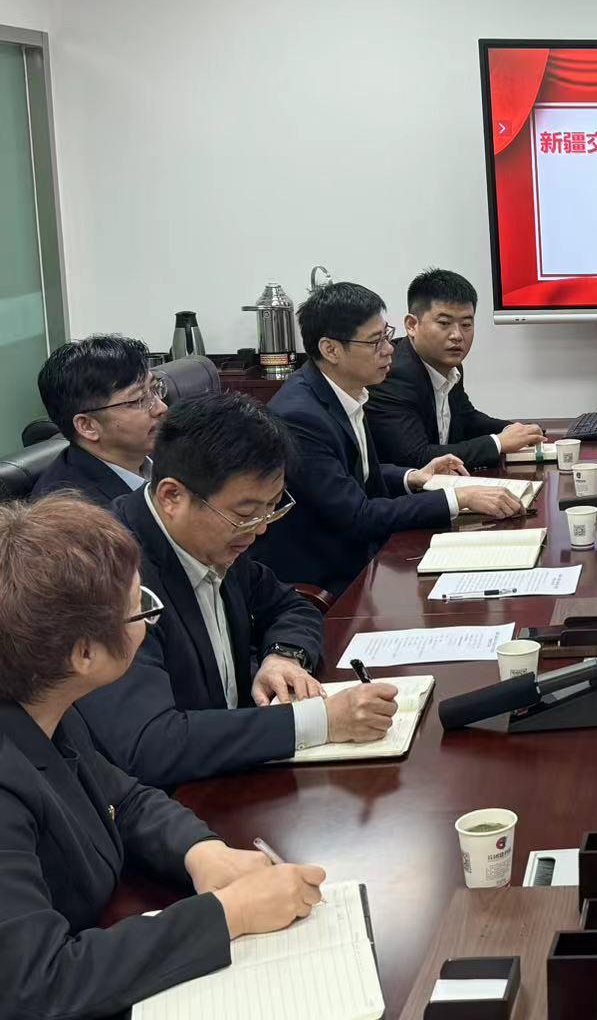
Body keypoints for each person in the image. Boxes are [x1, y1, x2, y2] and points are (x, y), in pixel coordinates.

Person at [0, 494, 329, 1018]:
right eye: (139, 608)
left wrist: (201, 852)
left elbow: (122, 799)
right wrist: (228, 914)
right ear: (83, 653)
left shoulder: (44, 702)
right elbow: (38, 984)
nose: (151, 621)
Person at [80, 395, 399, 788]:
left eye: (272, 507)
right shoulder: (111, 576)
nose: (260, 528)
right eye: (246, 514)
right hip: (172, 800)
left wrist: (283, 656)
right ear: (172, 496)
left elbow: (290, 605)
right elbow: (151, 744)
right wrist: (322, 721)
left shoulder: (215, 536)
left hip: (235, 769)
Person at [249, 281, 524, 597]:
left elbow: (354, 474)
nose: (390, 348)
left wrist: (413, 477)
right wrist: (457, 498)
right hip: (330, 583)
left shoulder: (346, 392)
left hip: (366, 561)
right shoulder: (301, 417)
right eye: (375, 341)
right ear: (330, 349)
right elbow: (357, 515)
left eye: (386, 335)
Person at [367, 268, 545, 471]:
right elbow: (415, 457)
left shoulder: (450, 366)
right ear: (412, 325)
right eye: (444, 323)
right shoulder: (391, 374)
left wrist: (514, 430)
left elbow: (466, 418)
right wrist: (498, 442)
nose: (457, 335)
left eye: (466, 324)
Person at [31, 335, 167, 507]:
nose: (161, 408)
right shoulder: (72, 512)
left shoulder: (167, 452)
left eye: (155, 389)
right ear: (87, 426)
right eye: (139, 400)